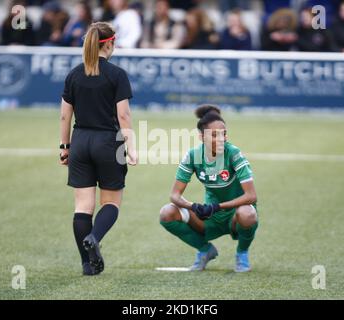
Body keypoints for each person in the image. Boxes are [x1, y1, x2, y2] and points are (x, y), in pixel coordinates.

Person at [60, 22, 137, 276]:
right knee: (111, 204)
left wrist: (65, 147)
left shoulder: (74, 74)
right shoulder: (116, 74)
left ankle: (87, 265)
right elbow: (123, 116)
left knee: (82, 207)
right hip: (107, 142)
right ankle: (94, 237)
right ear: (110, 44)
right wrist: (132, 147)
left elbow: (64, 117)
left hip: (80, 141)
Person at [159, 105, 258, 272]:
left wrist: (218, 206)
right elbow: (174, 195)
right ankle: (205, 250)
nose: (221, 139)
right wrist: (194, 207)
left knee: (247, 213)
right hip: (211, 217)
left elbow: (251, 196)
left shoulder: (234, 154)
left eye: (224, 134)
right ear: (201, 137)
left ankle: (242, 253)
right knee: (167, 213)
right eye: (214, 135)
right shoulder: (193, 156)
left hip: (235, 215)